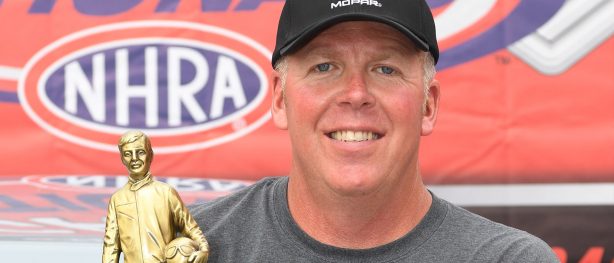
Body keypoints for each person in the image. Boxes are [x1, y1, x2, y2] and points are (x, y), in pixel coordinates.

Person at [190, 0, 559, 262]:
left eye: (385, 69)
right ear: (280, 100)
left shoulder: (508, 258)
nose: (355, 94)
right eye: (324, 67)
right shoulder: (195, 245)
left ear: (428, 105)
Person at [103, 131, 209, 263]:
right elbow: (111, 246)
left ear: (150, 155)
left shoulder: (166, 192)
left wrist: (204, 249)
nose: (134, 158)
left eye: (140, 152)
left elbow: (190, 227)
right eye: (128, 154)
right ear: (122, 159)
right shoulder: (117, 199)